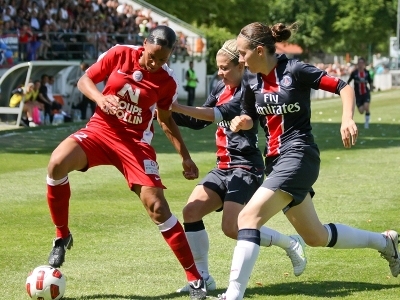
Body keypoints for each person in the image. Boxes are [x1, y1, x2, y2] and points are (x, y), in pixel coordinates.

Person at [219, 22, 400, 300]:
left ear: (258, 50)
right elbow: (248, 118)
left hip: (300, 154)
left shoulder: (295, 70)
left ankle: (233, 295)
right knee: (315, 237)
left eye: (242, 54)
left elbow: (344, 87)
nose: (239, 60)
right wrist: (242, 122)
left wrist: (347, 118)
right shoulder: (249, 81)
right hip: (277, 162)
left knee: (247, 218)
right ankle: (385, 242)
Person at [45, 25, 207, 300]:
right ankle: (62, 236)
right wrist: (100, 98)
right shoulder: (120, 54)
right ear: (144, 43)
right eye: (152, 56)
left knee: (158, 207)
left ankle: (195, 278)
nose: (155, 64)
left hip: (135, 145)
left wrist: (185, 157)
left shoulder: (167, 82)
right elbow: (85, 79)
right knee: (57, 163)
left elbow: (165, 119)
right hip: (99, 131)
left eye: (162, 60)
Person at [171, 39, 307, 294]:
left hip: (246, 168)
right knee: (191, 211)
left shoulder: (249, 92)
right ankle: (203, 278)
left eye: (224, 68)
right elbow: (198, 121)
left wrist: (175, 105)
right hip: (222, 167)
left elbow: (215, 114)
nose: (220, 73)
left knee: (232, 228)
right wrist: (165, 109)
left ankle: (290, 243)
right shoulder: (220, 87)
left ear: (240, 66)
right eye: (218, 68)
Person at [347, 57, 374, 129]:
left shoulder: (366, 72)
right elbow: (348, 81)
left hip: (365, 93)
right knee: (361, 111)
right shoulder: (354, 73)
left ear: (364, 64)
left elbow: (370, 81)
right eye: (359, 63)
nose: (360, 64)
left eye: (362, 63)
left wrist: (371, 87)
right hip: (357, 94)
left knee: (366, 107)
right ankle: (365, 116)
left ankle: (367, 123)